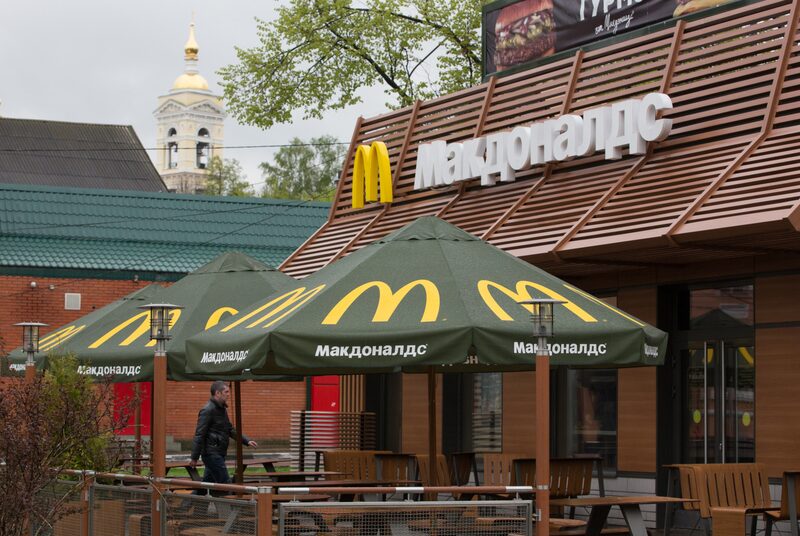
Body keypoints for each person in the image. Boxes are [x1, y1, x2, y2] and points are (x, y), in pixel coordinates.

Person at [190, 380, 257, 490]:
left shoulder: (221, 409)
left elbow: (229, 429)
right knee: (226, 485)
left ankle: (186, 507)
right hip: (212, 454)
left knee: (204, 488)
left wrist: (246, 440)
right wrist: (194, 457)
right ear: (217, 393)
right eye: (226, 392)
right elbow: (199, 434)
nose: (228, 394)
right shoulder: (207, 410)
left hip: (218, 453)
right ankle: (230, 507)